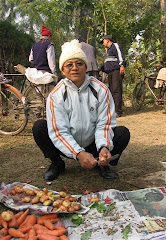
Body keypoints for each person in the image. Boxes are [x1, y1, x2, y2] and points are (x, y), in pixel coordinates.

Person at [32, 39, 130, 182]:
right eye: (69, 65)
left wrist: (103, 146)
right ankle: (57, 163)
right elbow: (59, 131)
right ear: (63, 70)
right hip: (68, 146)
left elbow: (105, 123)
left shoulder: (101, 89)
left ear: (86, 66)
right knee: (39, 127)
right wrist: (78, 152)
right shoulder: (56, 95)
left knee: (122, 133)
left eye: (79, 63)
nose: (74, 68)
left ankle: (101, 163)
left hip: (93, 143)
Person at [101, 35, 126, 118]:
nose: (103, 44)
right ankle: (113, 110)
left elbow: (120, 55)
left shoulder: (115, 45)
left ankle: (118, 111)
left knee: (116, 90)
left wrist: (122, 65)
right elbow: (109, 63)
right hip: (110, 72)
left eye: (103, 41)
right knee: (111, 91)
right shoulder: (108, 51)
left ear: (107, 40)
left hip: (116, 71)